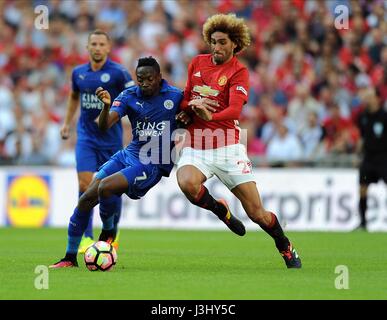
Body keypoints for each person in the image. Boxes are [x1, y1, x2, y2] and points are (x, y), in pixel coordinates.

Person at [176, 13, 301, 268]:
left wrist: (209, 114)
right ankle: (221, 210)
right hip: (198, 142)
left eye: (222, 42)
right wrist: (187, 110)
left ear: (234, 43)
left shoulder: (239, 71)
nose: (216, 47)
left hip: (227, 147)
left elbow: (234, 111)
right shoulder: (197, 63)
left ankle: (285, 246)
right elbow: (186, 97)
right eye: (213, 42)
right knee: (187, 183)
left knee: (257, 214)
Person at [50, 56, 183, 268]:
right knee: (86, 199)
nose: (145, 83)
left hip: (152, 162)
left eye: (149, 79)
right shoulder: (128, 95)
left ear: (159, 77)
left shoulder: (176, 97)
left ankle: (108, 231)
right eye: (140, 79)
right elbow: (104, 125)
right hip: (128, 154)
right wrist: (105, 107)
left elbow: (193, 118)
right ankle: (69, 257)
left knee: (106, 188)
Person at [60, 29, 134, 253]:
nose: (98, 48)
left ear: (108, 48)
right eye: (94, 44)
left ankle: (111, 230)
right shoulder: (78, 73)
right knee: (85, 185)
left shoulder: (119, 73)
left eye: (102, 44)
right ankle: (86, 236)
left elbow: (133, 97)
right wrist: (66, 123)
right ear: (87, 47)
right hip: (86, 138)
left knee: (112, 188)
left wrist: (115, 115)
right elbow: (74, 96)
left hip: (111, 140)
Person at [356, 88, 387, 230]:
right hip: (368, 158)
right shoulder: (363, 116)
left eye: (370, 96)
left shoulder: (384, 116)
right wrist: (358, 154)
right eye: (366, 96)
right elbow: (362, 137)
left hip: (383, 158)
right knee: (362, 189)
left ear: (377, 98)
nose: (367, 99)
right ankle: (363, 223)